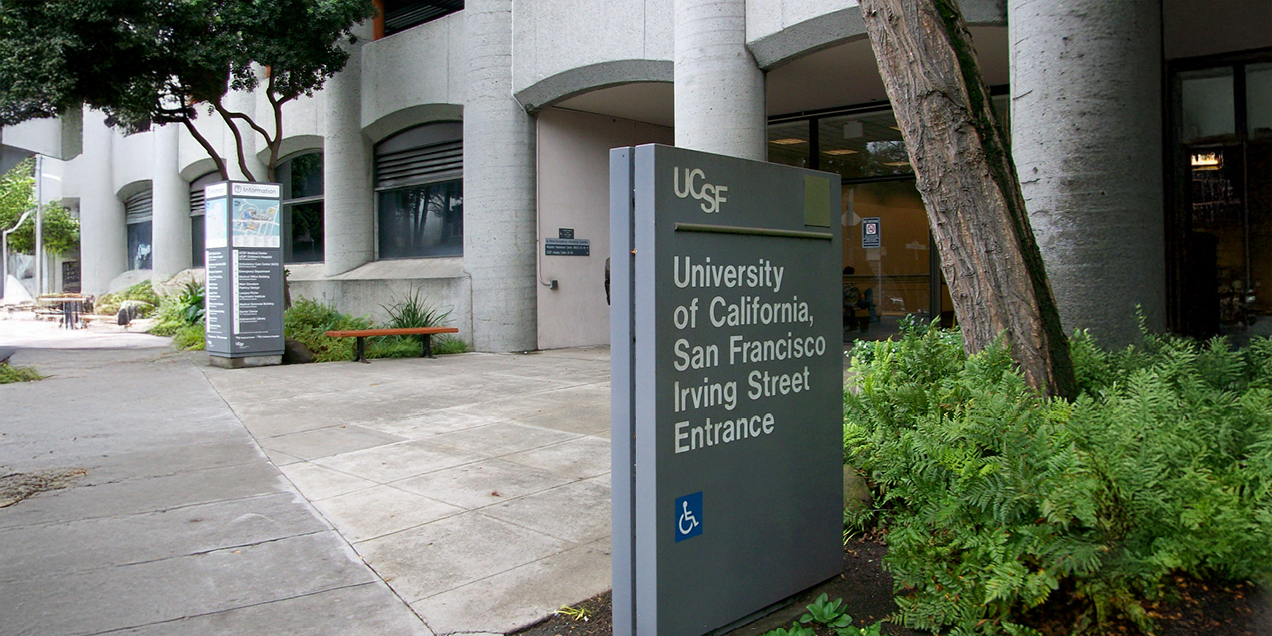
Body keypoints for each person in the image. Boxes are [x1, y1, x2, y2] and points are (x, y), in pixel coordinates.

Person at [842, 266, 876, 333]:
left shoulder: (851, 282)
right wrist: (858, 294)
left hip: (856, 298)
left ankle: (868, 303)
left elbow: (856, 289)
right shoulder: (844, 283)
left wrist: (860, 293)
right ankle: (868, 304)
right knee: (865, 302)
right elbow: (849, 294)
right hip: (850, 301)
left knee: (869, 290)